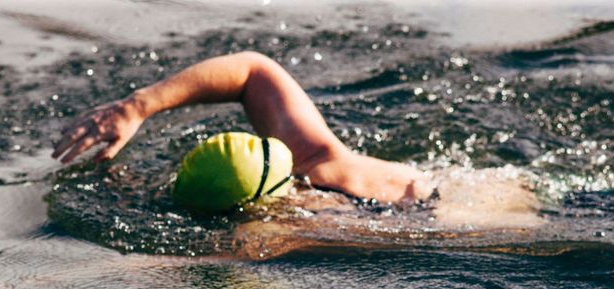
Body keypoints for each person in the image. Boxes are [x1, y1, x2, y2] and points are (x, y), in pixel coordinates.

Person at [52, 51, 434, 205]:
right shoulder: (318, 158)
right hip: (446, 191)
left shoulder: (275, 232)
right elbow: (253, 68)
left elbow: (252, 69)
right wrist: (135, 106)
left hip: (457, 217)